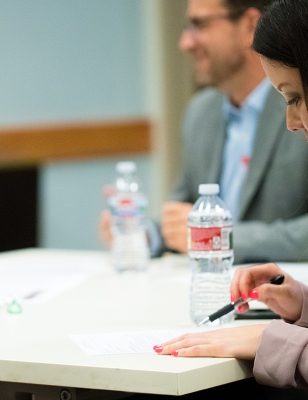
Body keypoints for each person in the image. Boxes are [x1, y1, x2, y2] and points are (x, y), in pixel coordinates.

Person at [154, 0, 308, 390]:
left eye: (295, 99)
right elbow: (181, 210)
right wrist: (304, 305)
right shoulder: (201, 112)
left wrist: (271, 340)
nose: (293, 121)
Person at [101, 0, 308, 264]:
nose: (185, 43)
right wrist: (143, 233)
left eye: (199, 25)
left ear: (250, 26)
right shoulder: (201, 112)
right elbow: (183, 217)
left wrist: (222, 237)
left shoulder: (301, 109)